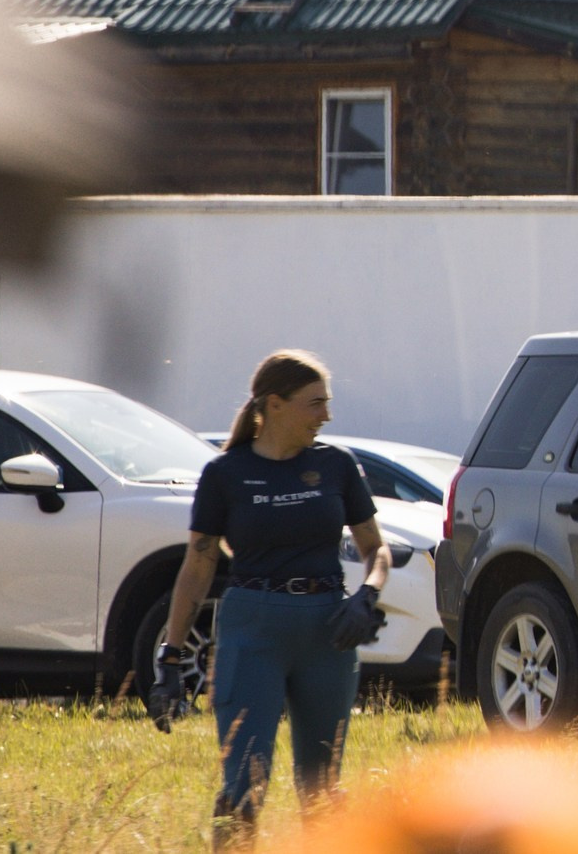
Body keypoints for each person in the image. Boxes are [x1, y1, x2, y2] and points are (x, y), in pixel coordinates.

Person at [151, 351, 389, 847]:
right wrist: (170, 657)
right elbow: (198, 565)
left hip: (328, 630)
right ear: (275, 405)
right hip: (251, 629)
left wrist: (367, 595)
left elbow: (376, 548)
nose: (326, 415)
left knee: (322, 786)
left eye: (327, 403)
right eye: (315, 403)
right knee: (245, 782)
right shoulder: (225, 474)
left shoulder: (337, 465)